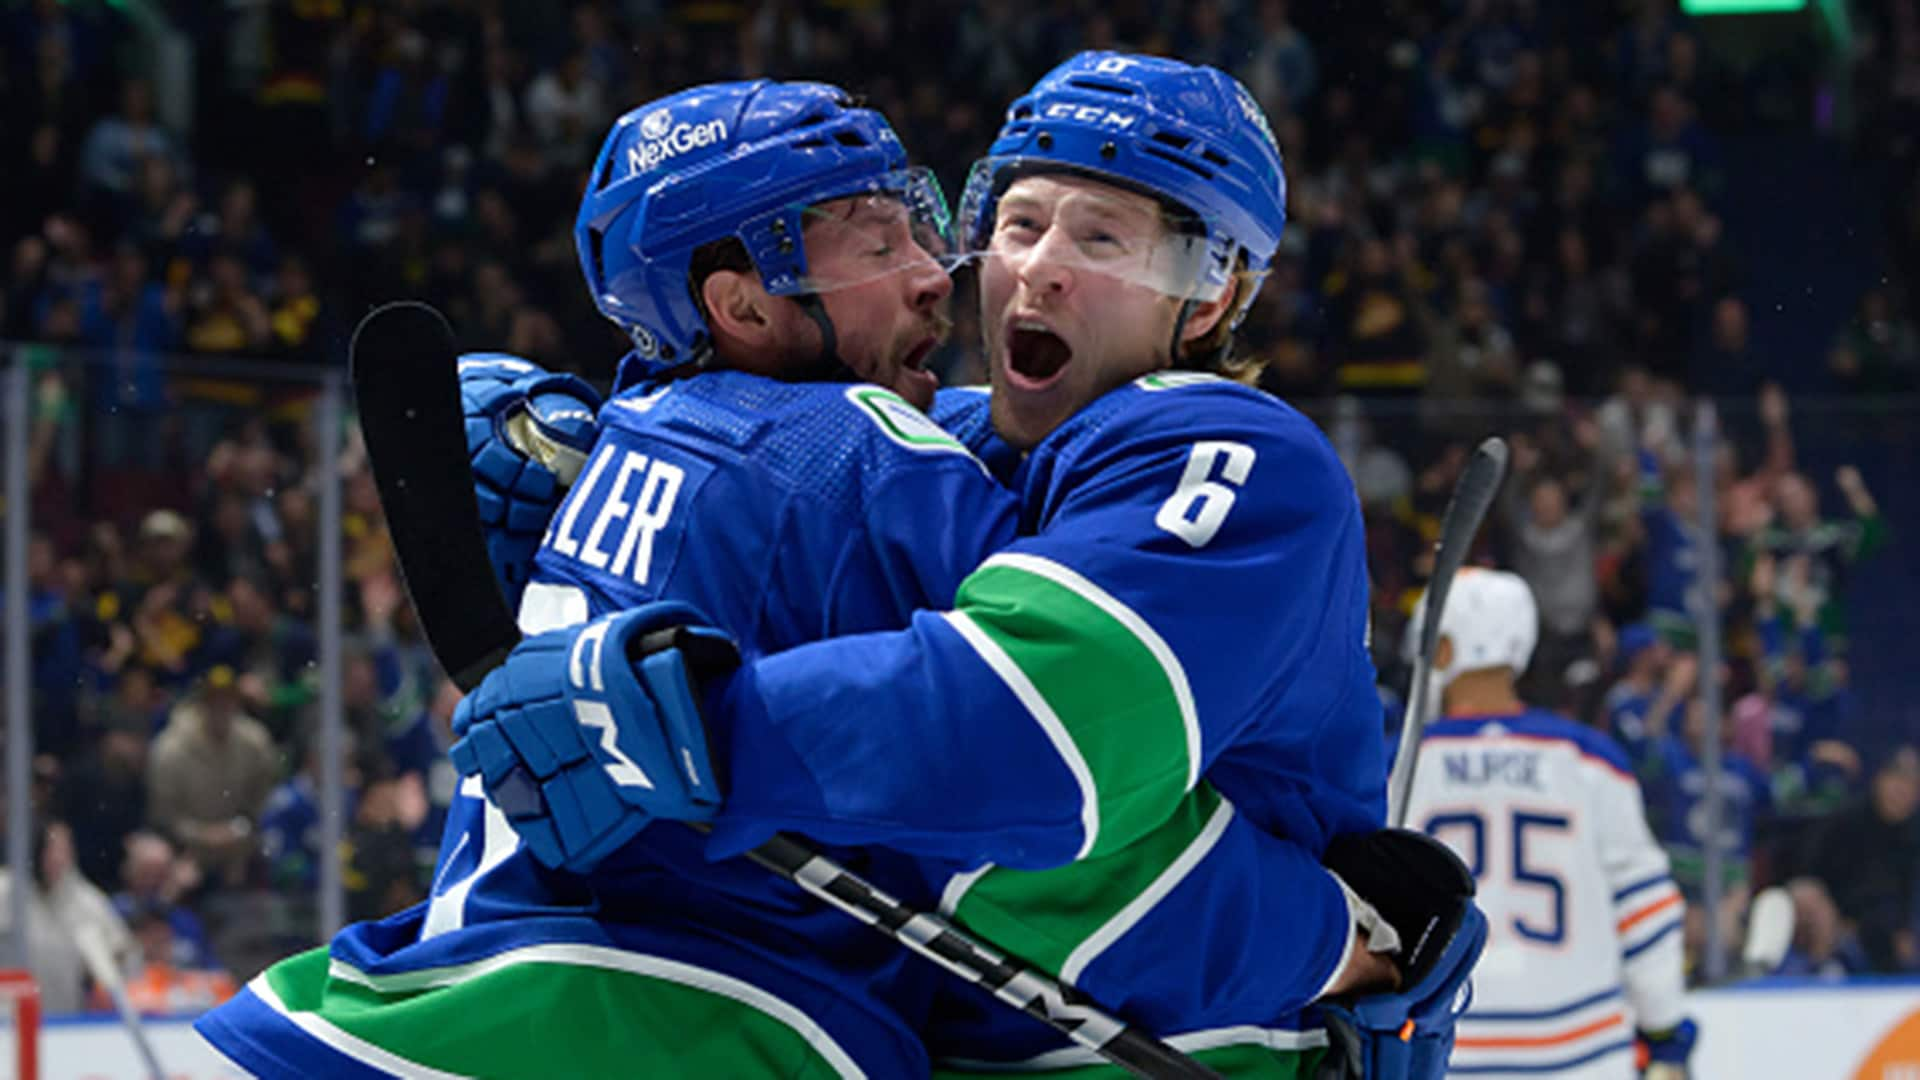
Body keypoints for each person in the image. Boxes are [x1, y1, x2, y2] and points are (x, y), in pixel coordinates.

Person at [451, 53, 1481, 1078]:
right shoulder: (951, 438)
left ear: (1208, 301)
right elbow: (778, 451)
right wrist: (595, 452)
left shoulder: (1238, 457)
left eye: (1103, 237)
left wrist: (703, 722)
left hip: (1194, 1051)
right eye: (1020, 224)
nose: (1039, 266)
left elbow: (1038, 738)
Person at [198, 79, 1019, 1079]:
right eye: (877, 242)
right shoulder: (848, 441)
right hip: (694, 1021)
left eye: (919, 231)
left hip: (420, 1008)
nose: (934, 276)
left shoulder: (613, 440)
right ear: (744, 303)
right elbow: (1062, 691)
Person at [1397, 568, 1696, 1079]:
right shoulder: (1589, 761)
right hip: (1583, 1051)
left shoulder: (1395, 768)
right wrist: (1665, 1029)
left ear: (1445, 651)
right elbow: (1645, 906)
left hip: (1445, 1053)